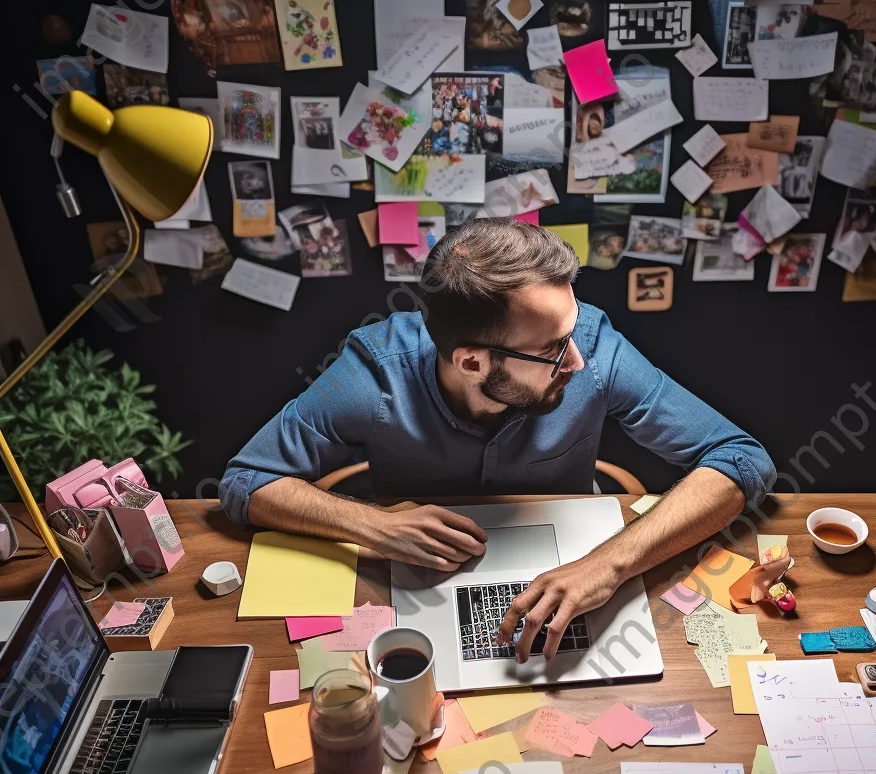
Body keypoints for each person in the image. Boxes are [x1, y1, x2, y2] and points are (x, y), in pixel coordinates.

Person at [221, 221, 775, 662]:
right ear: (471, 361)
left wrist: (607, 566)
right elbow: (247, 483)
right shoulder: (372, 374)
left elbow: (741, 459)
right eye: (555, 348)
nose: (578, 361)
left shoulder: (595, 347)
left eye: (572, 330)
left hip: (577, 564)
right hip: (418, 585)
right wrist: (373, 524)